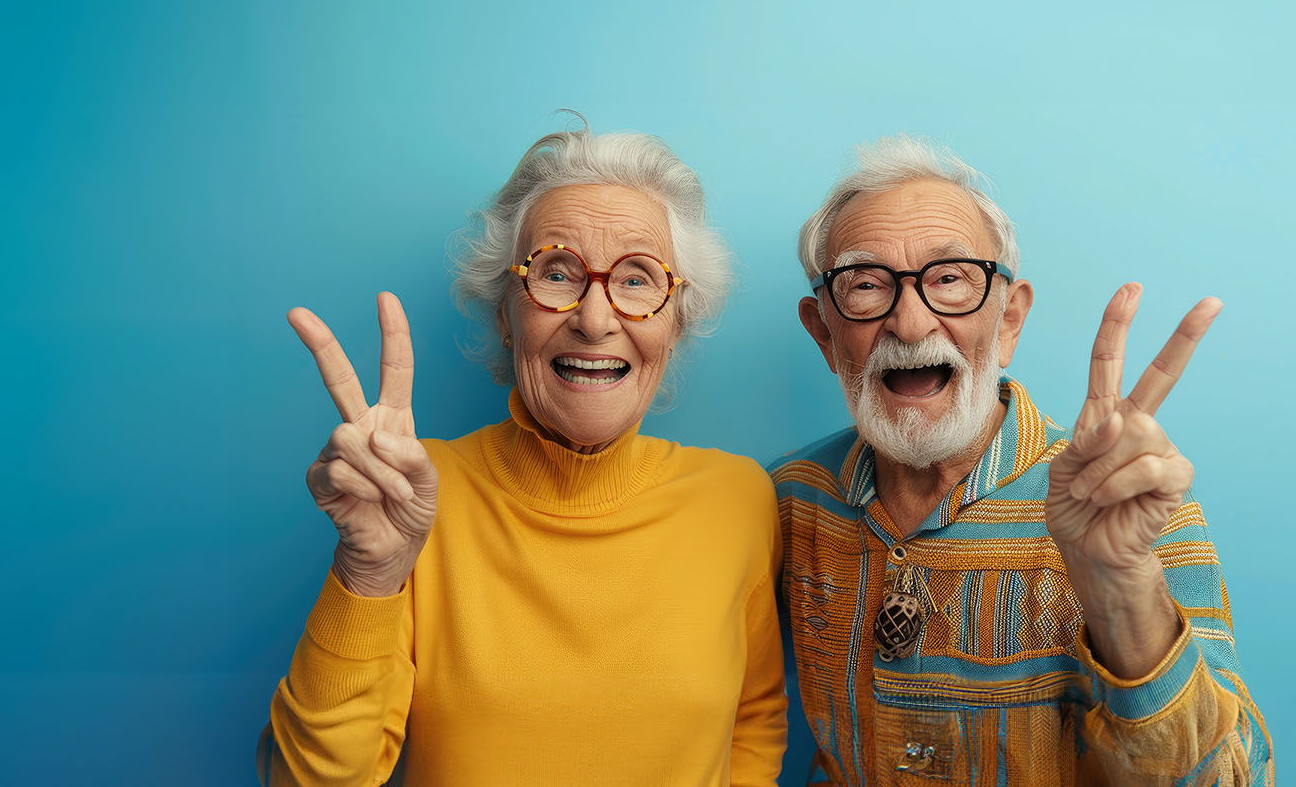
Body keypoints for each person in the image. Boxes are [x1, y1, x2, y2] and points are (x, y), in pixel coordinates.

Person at [258, 122, 787, 786]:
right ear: (507, 314)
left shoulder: (737, 499)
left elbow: (754, 718)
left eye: (637, 279)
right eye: (556, 272)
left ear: (677, 320)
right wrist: (369, 571)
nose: (594, 320)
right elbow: (304, 780)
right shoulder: (410, 496)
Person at [772, 135, 1273, 785]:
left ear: (1008, 320)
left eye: (949, 279)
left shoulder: (1127, 514)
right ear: (824, 333)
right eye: (866, 285)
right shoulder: (790, 499)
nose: (911, 323)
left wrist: (1119, 586)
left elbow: (1230, 778)